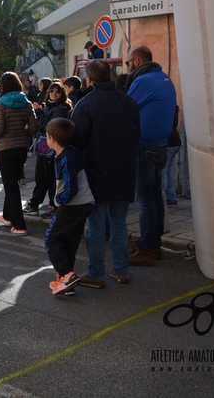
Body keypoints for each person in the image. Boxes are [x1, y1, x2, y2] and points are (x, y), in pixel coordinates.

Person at [70, 60, 140, 289]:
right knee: (119, 224)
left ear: (89, 79)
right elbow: (136, 133)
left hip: (96, 174)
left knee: (96, 226)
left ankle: (96, 273)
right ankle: (121, 270)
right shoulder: (129, 102)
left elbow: (76, 140)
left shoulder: (86, 104)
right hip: (124, 171)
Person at [125, 45, 177, 267]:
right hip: (161, 145)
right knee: (155, 196)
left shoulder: (143, 81)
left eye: (127, 63)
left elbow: (126, 108)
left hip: (144, 146)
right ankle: (154, 244)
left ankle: (146, 248)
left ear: (136, 62)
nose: (127, 68)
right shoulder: (164, 78)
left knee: (145, 200)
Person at [43, 118, 95, 295]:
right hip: (84, 203)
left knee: (52, 238)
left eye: (46, 136)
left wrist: (60, 200)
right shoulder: (68, 154)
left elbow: (70, 187)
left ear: (52, 139)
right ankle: (66, 281)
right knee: (69, 242)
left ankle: (66, 275)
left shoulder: (67, 158)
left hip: (73, 204)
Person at [0, 72, 38, 236]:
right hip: (21, 147)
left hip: (5, 148)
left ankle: (19, 225)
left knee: (11, 186)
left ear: (3, 85)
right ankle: (8, 216)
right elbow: (33, 127)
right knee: (13, 182)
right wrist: (22, 131)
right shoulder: (26, 102)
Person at [24, 82, 72, 219]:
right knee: (40, 176)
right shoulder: (48, 106)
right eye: (52, 91)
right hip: (43, 146)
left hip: (53, 148)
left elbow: (50, 127)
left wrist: (38, 112)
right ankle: (34, 204)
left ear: (62, 93)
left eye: (58, 91)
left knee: (51, 177)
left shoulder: (62, 108)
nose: (54, 93)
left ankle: (53, 205)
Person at [162, 105, 182, 207]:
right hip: (175, 141)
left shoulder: (165, 108)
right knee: (168, 170)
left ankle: (162, 197)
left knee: (163, 171)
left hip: (169, 142)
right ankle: (171, 197)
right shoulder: (174, 107)